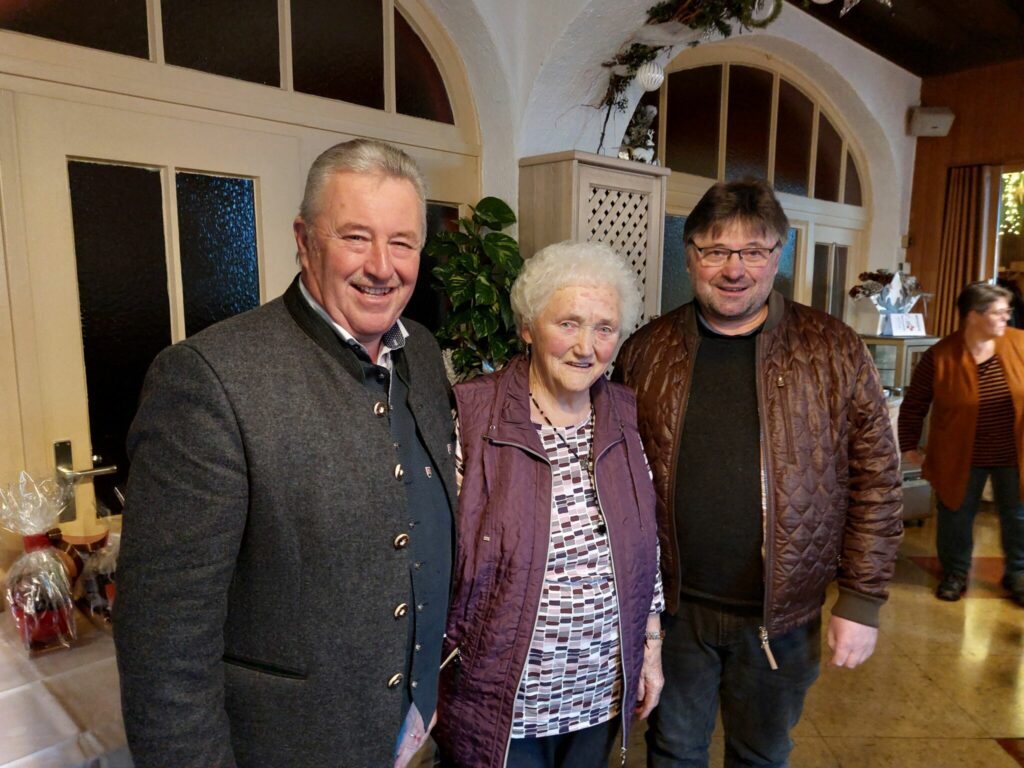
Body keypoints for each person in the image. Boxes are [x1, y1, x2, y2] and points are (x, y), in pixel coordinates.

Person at [114, 139, 457, 768]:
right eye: (356, 236)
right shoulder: (210, 379)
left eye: (402, 242)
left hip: (418, 738)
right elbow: (163, 651)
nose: (383, 266)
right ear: (304, 239)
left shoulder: (425, 356)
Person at [613, 179, 903, 768]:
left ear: (779, 256)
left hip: (783, 615)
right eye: (716, 250)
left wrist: (861, 600)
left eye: (754, 250)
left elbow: (877, 479)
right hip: (673, 611)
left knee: (762, 754)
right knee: (672, 751)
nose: (734, 268)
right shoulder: (647, 349)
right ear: (690, 255)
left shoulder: (833, 349)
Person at [434, 241, 664, 768]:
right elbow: (429, 560)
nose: (586, 346)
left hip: (598, 695)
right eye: (569, 323)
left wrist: (650, 650)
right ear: (529, 327)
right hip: (500, 700)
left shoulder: (624, 417)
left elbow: (642, 550)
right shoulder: (474, 417)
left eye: (605, 328)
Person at [899, 282, 1024, 606]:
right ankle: (954, 574)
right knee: (956, 514)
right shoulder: (940, 355)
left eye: (1007, 311)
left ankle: (1019, 574)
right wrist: (908, 443)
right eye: (999, 312)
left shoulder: (1020, 344)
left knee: (1019, 516)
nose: (1006, 318)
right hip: (959, 454)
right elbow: (915, 403)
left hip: (1016, 453)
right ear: (973, 316)